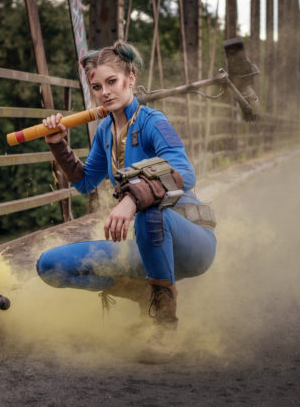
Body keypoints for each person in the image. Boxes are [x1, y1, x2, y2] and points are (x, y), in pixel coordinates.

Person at [35, 40, 216, 363]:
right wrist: (58, 144)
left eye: (112, 81)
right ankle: (146, 293)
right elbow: (84, 182)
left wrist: (132, 199)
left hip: (191, 240)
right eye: (97, 87)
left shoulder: (153, 122)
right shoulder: (105, 131)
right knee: (50, 266)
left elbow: (185, 173)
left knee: (149, 213)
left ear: (130, 79)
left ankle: (165, 328)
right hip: (150, 246)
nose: (105, 92)